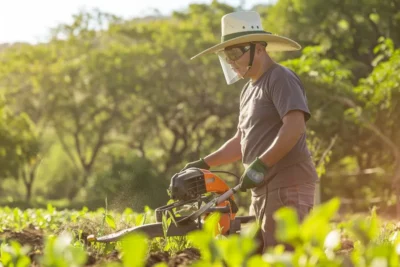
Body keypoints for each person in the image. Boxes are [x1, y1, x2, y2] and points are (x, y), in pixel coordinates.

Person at [181, 11, 318, 253]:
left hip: (288, 185)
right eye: (227, 55)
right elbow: (241, 140)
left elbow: (294, 126)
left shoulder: (280, 78)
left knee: (283, 256)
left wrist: (262, 164)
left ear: (259, 48)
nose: (231, 61)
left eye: (235, 53)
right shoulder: (248, 91)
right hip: (262, 189)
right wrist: (204, 164)